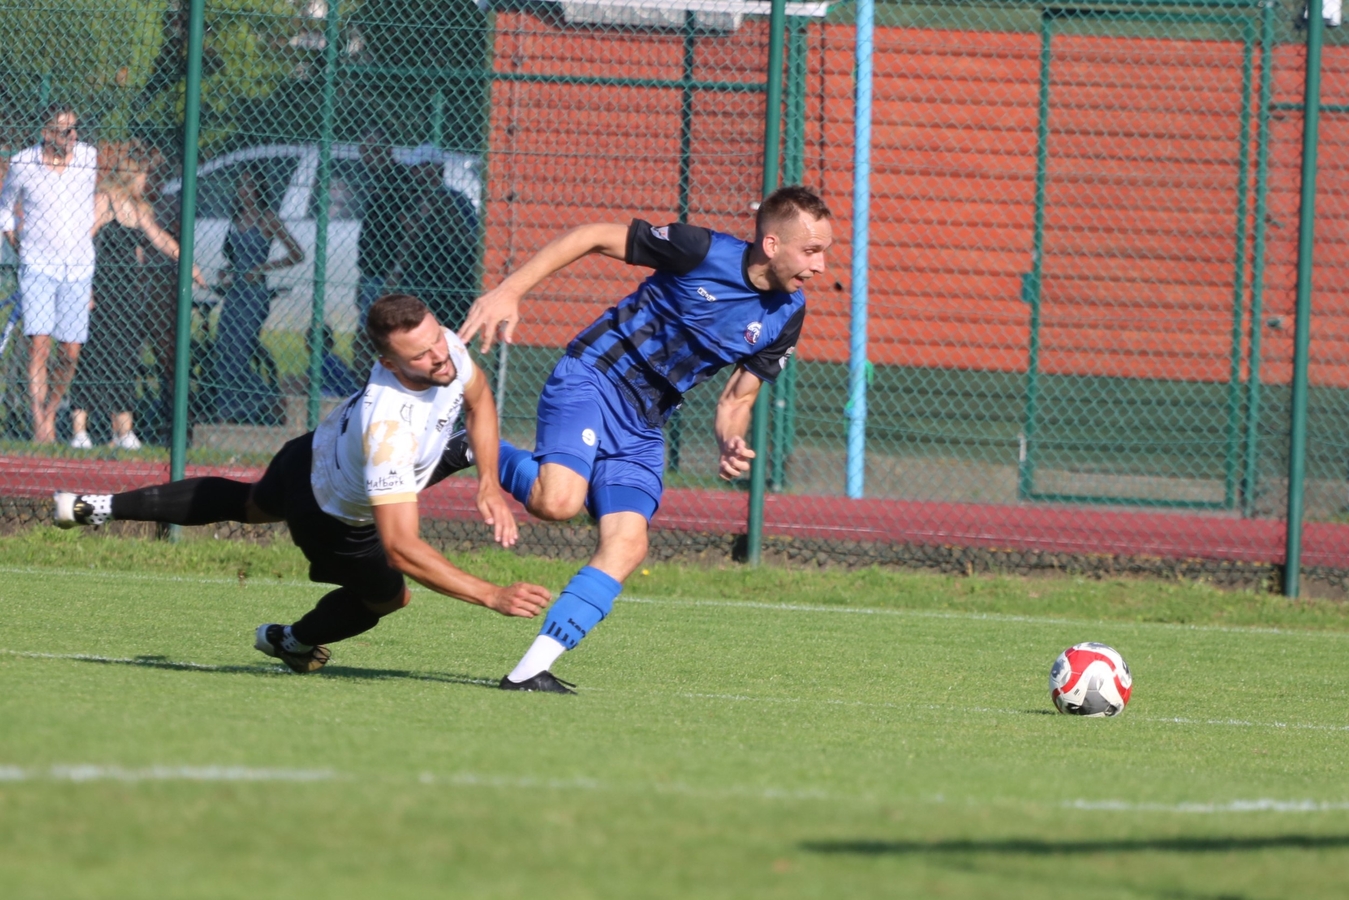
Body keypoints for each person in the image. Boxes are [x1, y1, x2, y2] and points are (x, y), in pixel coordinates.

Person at [452, 185, 833, 693]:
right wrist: (509, 291)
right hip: (594, 378)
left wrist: (730, 440)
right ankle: (472, 444)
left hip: (644, 423)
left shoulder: (788, 313)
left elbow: (736, 400)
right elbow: (591, 236)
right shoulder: (699, 249)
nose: (821, 265)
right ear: (771, 244)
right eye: (811, 250)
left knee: (628, 544)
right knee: (557, 503)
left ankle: (530, 670)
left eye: (824, 251)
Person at [54, 293, 552, 672]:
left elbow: (479, 400)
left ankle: (94, 506)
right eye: (420, 356)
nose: (439, 357)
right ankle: (289, 641)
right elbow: (402, 548)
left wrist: (489, 483)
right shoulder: (389, 430)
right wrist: (492, 595)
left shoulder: (445, 347)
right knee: (389, 597)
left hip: (311, 453)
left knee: (250, 504)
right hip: (334, 519)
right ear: (387, 364)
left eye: (436, 340)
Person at [68, 148, 206, 450]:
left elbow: (160, 238)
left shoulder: (138, 209)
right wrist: (83, 286)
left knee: (125, 357)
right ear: (130, 177)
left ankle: (123, 431)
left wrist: (188, 263)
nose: (148, 183)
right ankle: (80, 430)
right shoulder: (103, 201)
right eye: (144, 177)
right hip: (100, 290)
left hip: (127, 295)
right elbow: (83, 240)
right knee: (94, 357)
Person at [0, 104, 98, 444]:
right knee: (39, 345)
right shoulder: (23, 163)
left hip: (78, 267)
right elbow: (5, 207)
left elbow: (99, 201)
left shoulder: (88, 158)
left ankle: (52, 408)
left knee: (70, 351)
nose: (72, 136)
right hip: (38, 265)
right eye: (64, 130)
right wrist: (15, 241)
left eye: (74, 129)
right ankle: (41, 422)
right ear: (46, 134)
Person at [210, 163, 303, 425]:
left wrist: (263, 268)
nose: (245, 190)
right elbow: (233, 257)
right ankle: (229, 410)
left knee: (239, 352)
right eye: (241, 185)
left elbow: (297, 254)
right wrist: (226, 271)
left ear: (260, 188)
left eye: (250, 185)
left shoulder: (268, 218)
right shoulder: (235, 219)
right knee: (223, 350)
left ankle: (267, 399)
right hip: (234, 292)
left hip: (254, 294)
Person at [351, 127, 416, 378]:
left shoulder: (397, 180)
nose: (366, 157)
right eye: (363, 152)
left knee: (375, 335)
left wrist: (396, 271)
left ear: (386, 150)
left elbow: (409, 229)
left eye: (371, 151)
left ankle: (376, 383)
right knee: (366, 333)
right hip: (371, 270)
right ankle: (363, 385)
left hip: (388, 272)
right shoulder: (375, 180)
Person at [399, 145, 477, 330]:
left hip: (454, 279)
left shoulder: (456, 200)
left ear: (435, 168)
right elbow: (408, 239)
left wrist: (446, 211)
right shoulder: (411, 200)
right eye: (414, 168)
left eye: (419, 167)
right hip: (420, 278)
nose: (414, 172)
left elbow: (470, 239)